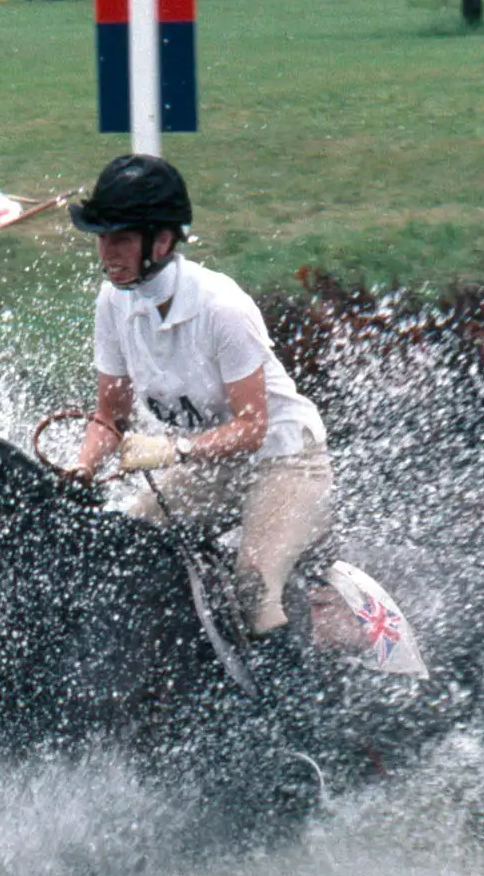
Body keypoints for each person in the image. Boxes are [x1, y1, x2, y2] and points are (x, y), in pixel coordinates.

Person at [65, 154, 337, 645]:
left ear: (162, 240)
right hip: (217, 465)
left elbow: (253, 427)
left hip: (285, 461)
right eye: (102, 237)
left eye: (120, 238)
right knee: (125, 549)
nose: (107, 252)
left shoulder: (222, 308)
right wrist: (81, 470)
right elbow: (110, 416)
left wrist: (176, 451)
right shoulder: (112, 302)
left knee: (253, 589)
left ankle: (296, 713)